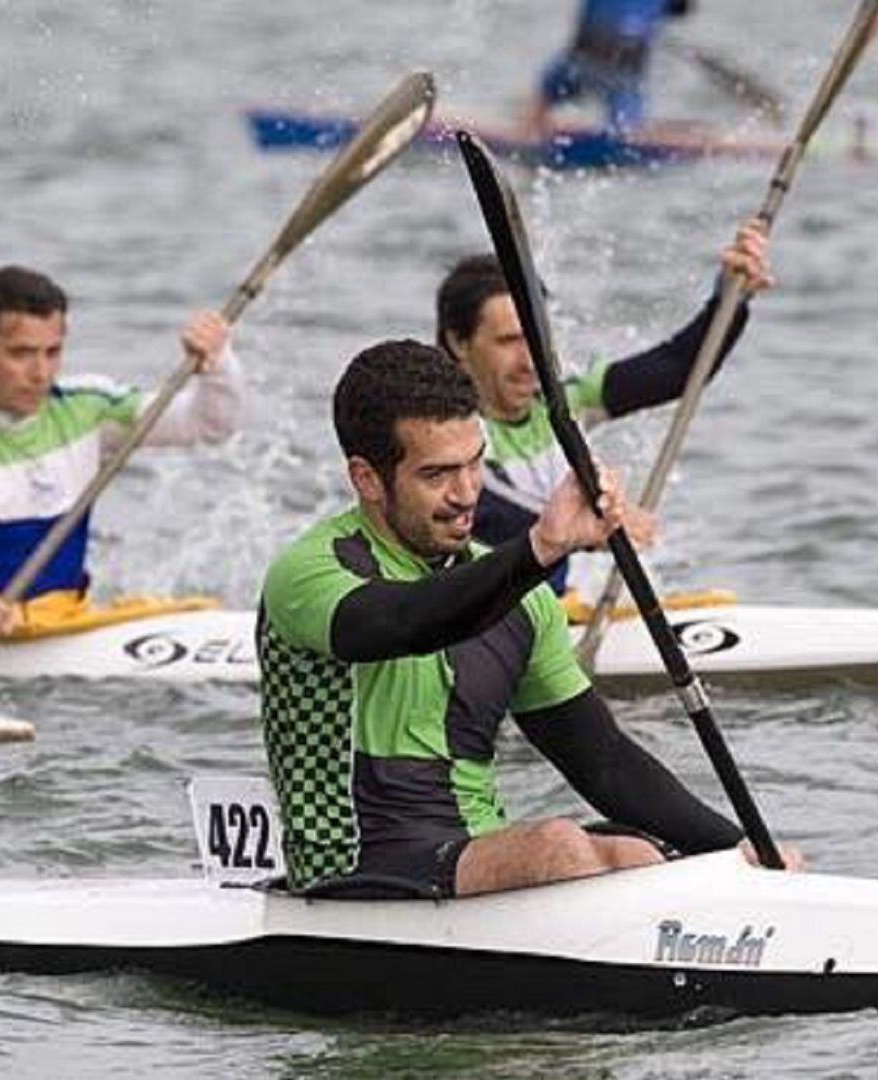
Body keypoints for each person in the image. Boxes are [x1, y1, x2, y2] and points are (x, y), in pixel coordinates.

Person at [259, 339, 800, 898]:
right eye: (437, 474)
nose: (466, 493)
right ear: (367, 478)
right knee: (559, 848)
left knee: (641, 855)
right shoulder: (310, 574)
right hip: (350, 865)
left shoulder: (523, 598)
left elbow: (604, 763)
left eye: (475, 464)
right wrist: (541, 547)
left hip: (467, 855)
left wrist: (742, 851)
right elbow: (402, 623)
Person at [435, 220, 772, 605]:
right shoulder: (448, 435)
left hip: (561, 606)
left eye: (537, 338)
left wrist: (730, 298)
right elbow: (490, 515)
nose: (530, 361)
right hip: (489, 615)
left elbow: (678, 367)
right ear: (459, 343)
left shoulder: (565, 402)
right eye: (509, 341)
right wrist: (599, 519)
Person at [0, 265, 242, 640]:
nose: (40, 373)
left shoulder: (86, 407)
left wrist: (218, 365)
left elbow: (207, 426)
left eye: (52, 352)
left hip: (65, 618)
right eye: (20, 354)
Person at [527, 0, 696, 135]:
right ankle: (627, 135)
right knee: (627, 130)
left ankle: (533, 126)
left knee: (548, 87)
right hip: (619, 74)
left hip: (583, 63)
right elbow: (681, 9)